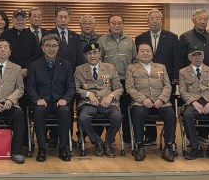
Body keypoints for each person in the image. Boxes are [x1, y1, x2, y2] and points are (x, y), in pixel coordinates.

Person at [26, 34, 75, 162]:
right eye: (48, 46)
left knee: (65, 111)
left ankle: (63, 148)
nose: (51, 49)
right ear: (43, 48)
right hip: (42, 102)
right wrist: (37, 99)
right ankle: (42, 148)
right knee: (38, 111)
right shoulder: (34, 65)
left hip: (60, 102)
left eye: (54, 46)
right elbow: (30, 87)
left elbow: (71, 87)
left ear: (58, 48)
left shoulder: (66, 65)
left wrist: (65, 99)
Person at [135, 9, 180, 145]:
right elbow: (137, 58)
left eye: (157, 18)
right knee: (147, 107)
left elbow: (176, 58)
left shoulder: (172, 37)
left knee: (166, 109)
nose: (155, 21)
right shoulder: (140, 38)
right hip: (145, 80)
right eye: (152, 18)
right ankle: (150, 136)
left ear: (162, 21)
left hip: (166, 81)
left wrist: (175, 78)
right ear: (147, 21)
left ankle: (169, 139)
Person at [125, 43, 176, 162]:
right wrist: (143, 99)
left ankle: (168, 147)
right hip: (141, 102)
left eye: (148, 51)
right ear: (137, 54)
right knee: (138, 114)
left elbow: (168, 85)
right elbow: (129, 88)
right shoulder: (131, 68)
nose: (145, 53)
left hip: (161, 102)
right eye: (142, 51)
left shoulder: (161, 67)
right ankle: (140, 146)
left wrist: (161, 99)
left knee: (170, 114)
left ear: (152, 53)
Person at [179, 44, 209, 161]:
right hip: (193, 104)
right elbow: (182, 90)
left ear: (203, 55)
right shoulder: (183, 72)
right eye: (194, 55)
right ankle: (196, 149)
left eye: (199, 54)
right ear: (189, 57)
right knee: (187, 116)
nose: (197, 57)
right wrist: (193, 102)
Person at [75, 42, 123, 157]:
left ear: (99, 53)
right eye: (89, 53)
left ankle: (108, 142)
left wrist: (110, 96)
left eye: (94, 52)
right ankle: (97, 141)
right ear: (85, 56)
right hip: (89, 103)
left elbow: (119, 88)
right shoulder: (79, 69)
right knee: (83, 119)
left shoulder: (110, 67)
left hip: (108, 103)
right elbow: (75, 88)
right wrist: (88, 94)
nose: (92, 56)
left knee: (117, 118)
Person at [98, 14, 136, 147]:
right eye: (113, 23)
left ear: (123, 24)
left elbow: (135, 61)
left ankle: (127, 139)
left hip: (126, 80)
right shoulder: (102, 40)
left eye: (119, 23)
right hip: (107, 81)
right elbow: (98, 61)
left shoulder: (130, 41)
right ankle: (111, 138)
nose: (117, 25)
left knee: (126, 110)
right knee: (109, 108)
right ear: (109, 25)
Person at [43, 7, 83, 71]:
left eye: (65, 17)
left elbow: (79, 58)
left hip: (72, 72)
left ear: (69, 19)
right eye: (61, 17)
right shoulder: (47, 34)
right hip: (53, 72)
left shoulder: (76, 36)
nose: (63, 20)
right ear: (55, 19)